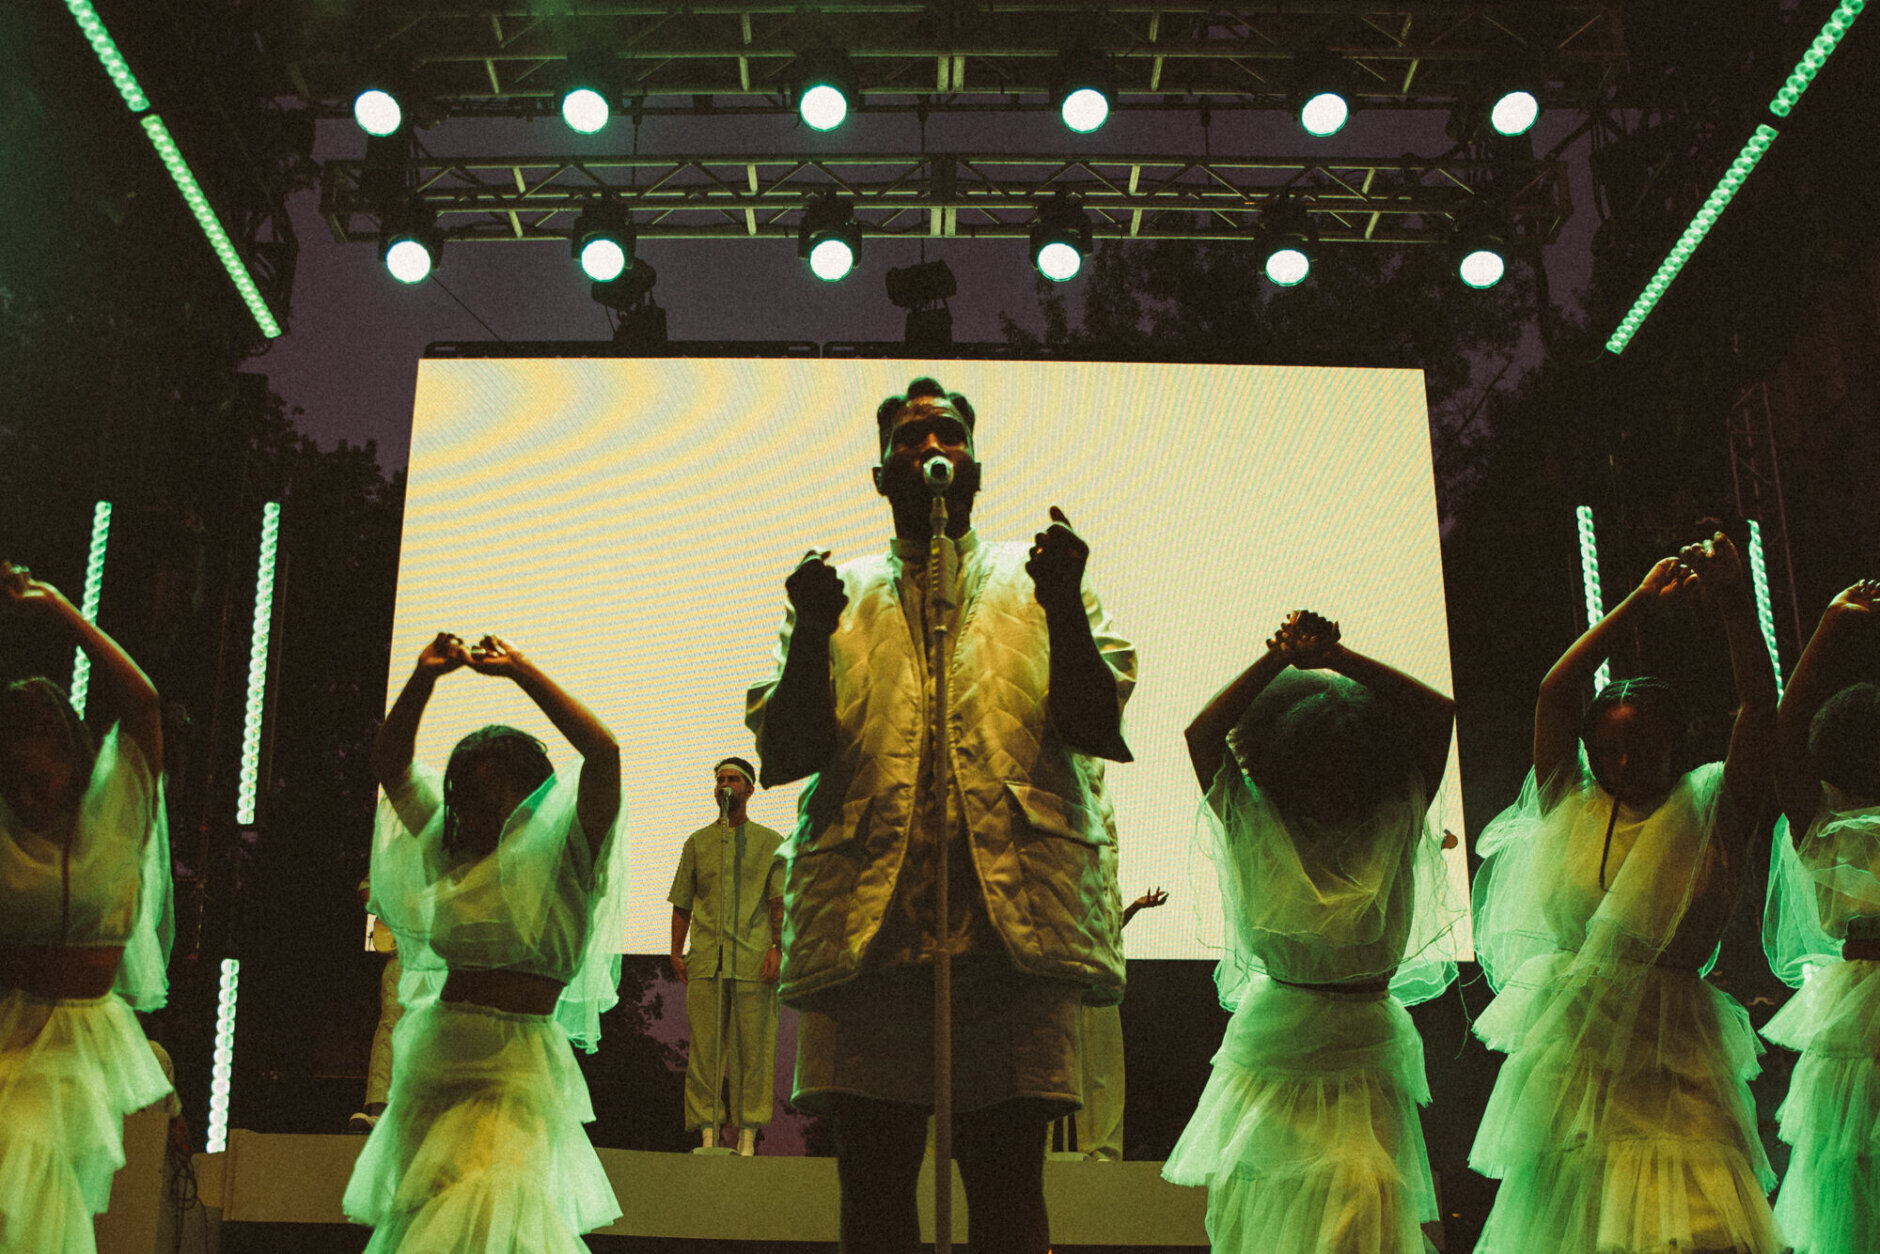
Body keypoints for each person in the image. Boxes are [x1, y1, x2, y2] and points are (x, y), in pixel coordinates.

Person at [746, 377, 1136, 1254]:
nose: (932, 447)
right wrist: (810, 631)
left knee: (1009, 1185)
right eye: (911, 436)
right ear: (881, 474)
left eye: (950, 433)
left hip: (1011, 934)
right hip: (870, 933)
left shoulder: (1044, 581)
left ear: (977, 468)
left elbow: (1097, 728)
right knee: (872, 1185)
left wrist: (1064, 602)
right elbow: (786, 756)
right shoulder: (836, 593)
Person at [1468, 534, 1783, 1254]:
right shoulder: (1572, 803)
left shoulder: (1713, 807)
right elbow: (1555, 693)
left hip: (1679, 1057)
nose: (1624, 761)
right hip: (1577, 1059)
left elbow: (1759, 710)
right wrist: (1639, 601)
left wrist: (1735, 604)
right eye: (1607, 749)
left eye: (1641, 746)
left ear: (1679, 745)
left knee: (1695, 1225)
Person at [1162, 610, 1464, 1254]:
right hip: (1281, 1049)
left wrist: (1326, 658)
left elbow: (1439, 716)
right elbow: (1203, 734)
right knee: (1282, 1212)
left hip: (1356, 1048)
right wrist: (1294, 658)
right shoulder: (1256, 818)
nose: (1331, 779)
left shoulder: (1393, 813)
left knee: (1357, 1206)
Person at [342, 632, 628, 1254]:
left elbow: (603, 753)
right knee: (436, 1207)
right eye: (467, 795)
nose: (475, 809)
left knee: (494, 1201)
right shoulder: (449, 847)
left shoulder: (568, 846)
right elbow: (391, 766)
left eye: (491, 793)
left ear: (529, 790)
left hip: (517, 1063)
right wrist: (422, 678)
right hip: (440, 1055)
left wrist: (520, 670)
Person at [0, 560, 174, 1254]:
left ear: (71, 763)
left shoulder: (118, 815)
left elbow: (144, 705)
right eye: (12, 781)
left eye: (38, 780)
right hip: (12, 1025)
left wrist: (59, 610)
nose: (25, 797)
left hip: (79, 1042)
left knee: (27, 1152)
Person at [1761, 578, 1880, 1253]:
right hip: (1858, 1014)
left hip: (1856, 1010)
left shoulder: (1823, 829)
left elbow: (1784, 735)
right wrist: (1828, 629)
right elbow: (1781, 738)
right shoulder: (1828, 830)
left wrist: (1830, 628)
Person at [668, 756, 785, 1155]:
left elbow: (778, 901)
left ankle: (748, 1136)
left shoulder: (770, 842)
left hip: (753, 958)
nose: (725, 785)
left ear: (749, 789)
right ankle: (707, 1132)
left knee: (753, 1050)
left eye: (734, 779)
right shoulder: (698, 842)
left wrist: (777, 947)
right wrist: (675, 950)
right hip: (706, 958)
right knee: (704, 1051)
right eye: (720, 779)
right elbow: (682, 901)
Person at [1060, 886, 1166, 1162]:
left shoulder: (1096, 900)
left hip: (1095, 992)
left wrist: (1135, 907)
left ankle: (1099, 1148)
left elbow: (1108, 930)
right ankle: (1050, 1147)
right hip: (1061, 991)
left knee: (1100, 1073)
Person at [348, 875, 402, 1135]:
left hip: (447, 959)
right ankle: (379, 1111)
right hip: (403, 956)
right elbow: (366, 890)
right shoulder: (397, 857)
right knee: (391, 1028)